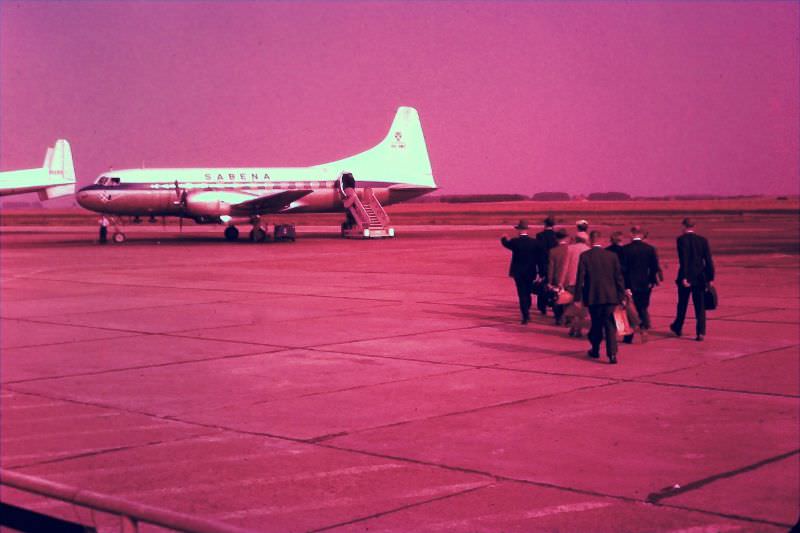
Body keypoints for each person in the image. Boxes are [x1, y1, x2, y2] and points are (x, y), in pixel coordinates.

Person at [575, 230, 626, 364]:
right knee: (610, 325)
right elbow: (618, 278)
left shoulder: (585, 256)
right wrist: (622, 296)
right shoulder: (612, 256)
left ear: (590, 241)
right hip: (610, 296)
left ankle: (596, 349)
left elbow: (580, 278)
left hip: (593, 296)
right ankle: (612, 354)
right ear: (602, 241)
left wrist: (577, 298)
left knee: (596, 324)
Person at [670, 218, 715, 341]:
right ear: (694, 226)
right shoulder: (703, 241)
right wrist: (710, 277)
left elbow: (683, 260)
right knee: (700, 306)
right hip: (700, 277)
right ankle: (700, 332)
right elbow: (708, 260)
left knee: (682, 304)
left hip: (686, 276)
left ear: (684, 226)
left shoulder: (681, 240)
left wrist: (684, 277)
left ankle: (678, 327)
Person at [621, 225, 661, 343]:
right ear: (642, 235)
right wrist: (652, 281)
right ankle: (644, 329)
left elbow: (623, 269)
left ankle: (629, 335)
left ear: (632, 234)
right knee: (643, 307)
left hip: (630, 284)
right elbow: (654, 267)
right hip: (645, 283)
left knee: (630, 309)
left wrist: (625, 286)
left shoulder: (625, 249)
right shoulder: (650, 249)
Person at [501, 220, 546, 324]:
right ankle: (527, 309)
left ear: (519, 230)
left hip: (518, 272)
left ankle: (525, 314)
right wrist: (541, 272)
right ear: (526, 230)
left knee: (521, 293)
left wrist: (503, 238)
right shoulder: (534, 243)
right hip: (530, 272)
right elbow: (540, 259)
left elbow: (506, 244)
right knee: (528, 291)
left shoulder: (515, 242)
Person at [563, 231, 591, 337]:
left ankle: (573, 327)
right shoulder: (588, 250)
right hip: (584, 282)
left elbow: (565, 266)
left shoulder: (569, 249)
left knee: (572, 304)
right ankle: (578, 328)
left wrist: (562, 281)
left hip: (571, 281)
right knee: (582, 306)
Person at [535, 216, 559, 315]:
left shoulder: (540, 235)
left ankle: (542, 306)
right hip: (555, 264)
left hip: (543, 264)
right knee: (554, 286)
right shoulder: (556, 236)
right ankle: (554, 305)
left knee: (543, 286)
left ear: (545, 224)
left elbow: (538, 251)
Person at [547, 228, 570, 325]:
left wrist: (549, 281)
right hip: (569, 278)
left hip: (557, 278)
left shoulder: (553, 251)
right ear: (567, 238)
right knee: (569, 299)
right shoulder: (570, 249)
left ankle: (558, 318)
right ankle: (568, 319)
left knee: (557, 299)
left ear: (556, 238)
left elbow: (551, 268)